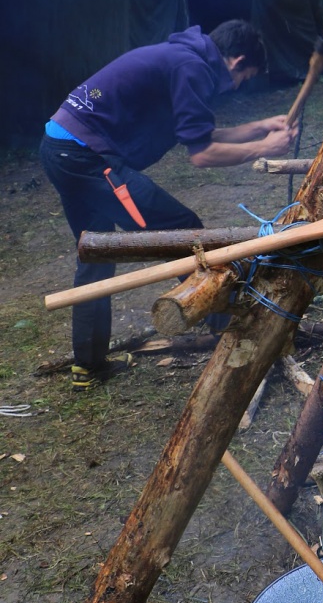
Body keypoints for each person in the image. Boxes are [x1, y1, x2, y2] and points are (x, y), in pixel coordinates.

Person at [40, 20, 297, 389]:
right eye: (246, 76)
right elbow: (203, 154)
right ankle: (231, 325)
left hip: (61, 146)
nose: (240, 85)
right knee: (181, 229)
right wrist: (264, 149)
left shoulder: (183, 58)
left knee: (95, 253)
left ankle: (88, 365)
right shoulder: (190, 67)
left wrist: (259, 128)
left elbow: (196, 135)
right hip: (85, 158)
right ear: (237, 61)